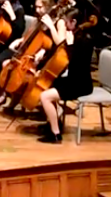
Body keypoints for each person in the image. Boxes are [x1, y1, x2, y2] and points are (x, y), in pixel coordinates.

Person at [36, 8, 93, 143]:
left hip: (80, 84)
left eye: (67, 23)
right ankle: (53, 122)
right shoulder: (76, 36)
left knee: (45, 97)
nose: (65, 26)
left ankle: (55, 135)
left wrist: (70, 45)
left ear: (74, 22)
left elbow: (76, 63)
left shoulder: (85, 41)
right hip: (73, 79)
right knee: (46, 85)